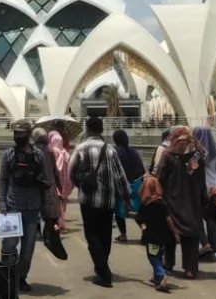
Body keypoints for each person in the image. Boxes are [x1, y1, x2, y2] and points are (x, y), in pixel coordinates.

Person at [68, 115, 131, 288]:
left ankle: (103, 272)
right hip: (108, 200)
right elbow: (120, 176)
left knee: (92, 235)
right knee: (105, 235)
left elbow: (70, 173)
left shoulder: (80, 149)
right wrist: (126, 197)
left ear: (87, 129)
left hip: (88, 201)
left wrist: (81, 186)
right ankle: (102, 266)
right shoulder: (110, 150)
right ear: (101, 130)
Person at [0, 119, 51, 294]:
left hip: (33, 207)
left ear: (28, 135)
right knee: (9, 244)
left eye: (21, 134)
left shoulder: (38, 156)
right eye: (15, 133)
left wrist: (47, 206)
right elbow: (3, 179)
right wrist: (1, 201)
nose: (17, 137)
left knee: (28, 247)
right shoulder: (9, 155)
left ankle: (21, 277)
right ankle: (7, 275)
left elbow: (45, 181)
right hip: (13, 205)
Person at [156, 126, 206, 280]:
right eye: (181, 142)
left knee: (182, 234)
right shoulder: (175, 156)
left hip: (182, 201)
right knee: (179, 235)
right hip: (182, 200)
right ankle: (178, 266)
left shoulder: (181, 157)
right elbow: (161, 178)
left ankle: (180, 266)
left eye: (186, 142)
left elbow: (202, 154)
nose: (183, 145)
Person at [134, 175, 174, 292]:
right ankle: (156, 277)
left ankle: (161, 274)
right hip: (163, 236)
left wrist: (143, 227)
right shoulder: (163, 203)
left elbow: (138, 219)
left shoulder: (145, 205)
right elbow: (169, 220)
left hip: (151, 236)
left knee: (152, 257)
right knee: (159, 255)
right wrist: (175, 233)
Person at [192, 126, 216, 259]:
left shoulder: (196, 153)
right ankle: (215, 245)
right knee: (212, 218)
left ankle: (206, 245)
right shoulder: (214, 152)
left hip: (202, 188)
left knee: (199, 216)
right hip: (215, 187)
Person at [112, 129, 146, 242]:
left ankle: (123, 234)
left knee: (119, 212)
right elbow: (142, 170)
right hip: (137, 184)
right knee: (139, 213)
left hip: (121, 187)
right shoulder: (134, 152)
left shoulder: (114, 152)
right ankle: (144, 231)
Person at [31, 128, 62, 235]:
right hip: (49, 184)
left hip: (37, 184)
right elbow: (55, 170)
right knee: (50, 209)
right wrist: (59, 184)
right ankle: (50, 230)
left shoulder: (32, 150)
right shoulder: (50, 150)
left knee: (37, 208)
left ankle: (38, 230)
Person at [49, 131, 73, 232]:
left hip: (56, 180)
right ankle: (62, 220)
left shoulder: (53, 151)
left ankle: (59, 222)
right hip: (65, 180)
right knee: (63, 201)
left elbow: (55, 168)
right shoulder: (64, 152)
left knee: (56, 203)